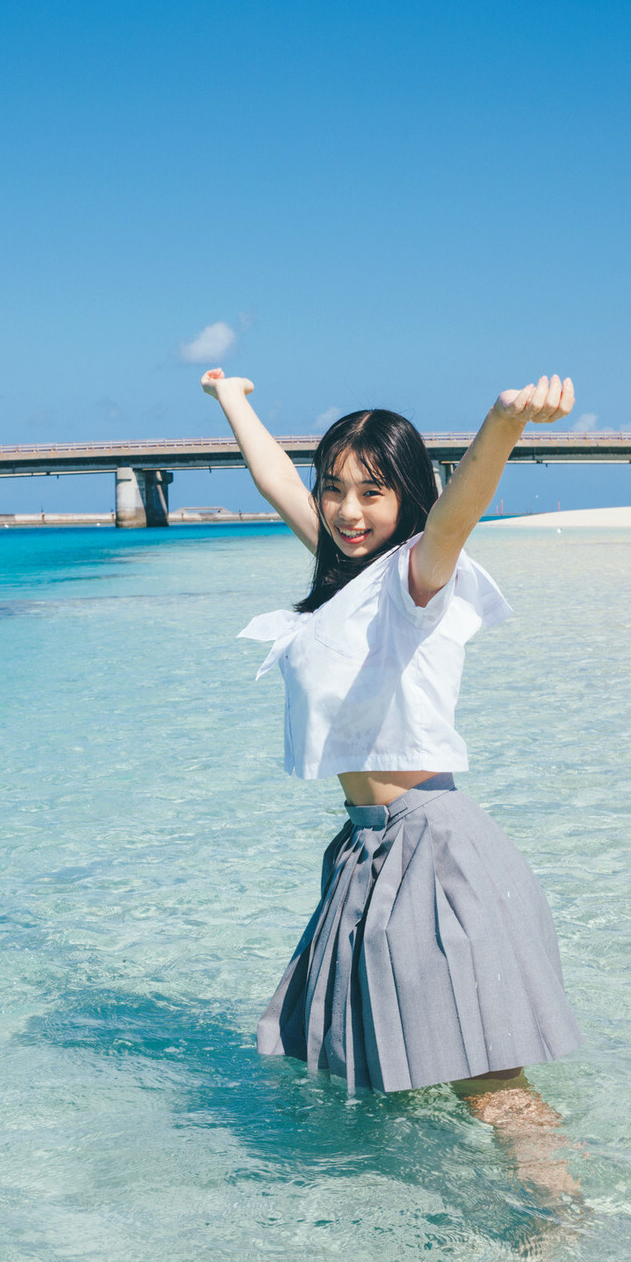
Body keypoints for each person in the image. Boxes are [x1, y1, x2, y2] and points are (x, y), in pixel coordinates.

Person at [201, 367, 584, 1200]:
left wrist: (503, 423)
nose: (348, 510)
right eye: (334, 489)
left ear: (407, 496)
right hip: (367, 852)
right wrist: (231, 399)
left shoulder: (418, 576)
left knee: (490, 1080)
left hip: (433, 850)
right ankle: (398, 1209)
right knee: (372, 1063)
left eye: (372, 492)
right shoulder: (348, 576)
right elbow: (276, 480)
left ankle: (560, 1216)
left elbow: (459, 509)